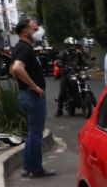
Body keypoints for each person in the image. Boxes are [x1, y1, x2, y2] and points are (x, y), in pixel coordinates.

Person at [10, 19, 54, 176]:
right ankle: (35, 169)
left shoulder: (19, 47)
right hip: (32, 96)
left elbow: (12, 69)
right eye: (35, 29)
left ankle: (28, 167)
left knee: (32, 133)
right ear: (25, 32)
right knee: (36, 133)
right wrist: (34, 86)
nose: (38, 31)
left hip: (26, 94)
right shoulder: (25, 49)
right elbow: (16, 68)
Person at [55, 37, 89, 117]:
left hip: (77, 74)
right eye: (70, 45)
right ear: (67, 46)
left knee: (84, 83)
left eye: (73, 45)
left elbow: (84, 61)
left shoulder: (78, 53)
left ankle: (90, 102)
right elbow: (58, 60)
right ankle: (59, 110)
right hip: (66, 75)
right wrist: (60, 64)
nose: (72, 46)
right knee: (62, 91)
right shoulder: (64, 53)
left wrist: (89, 64)